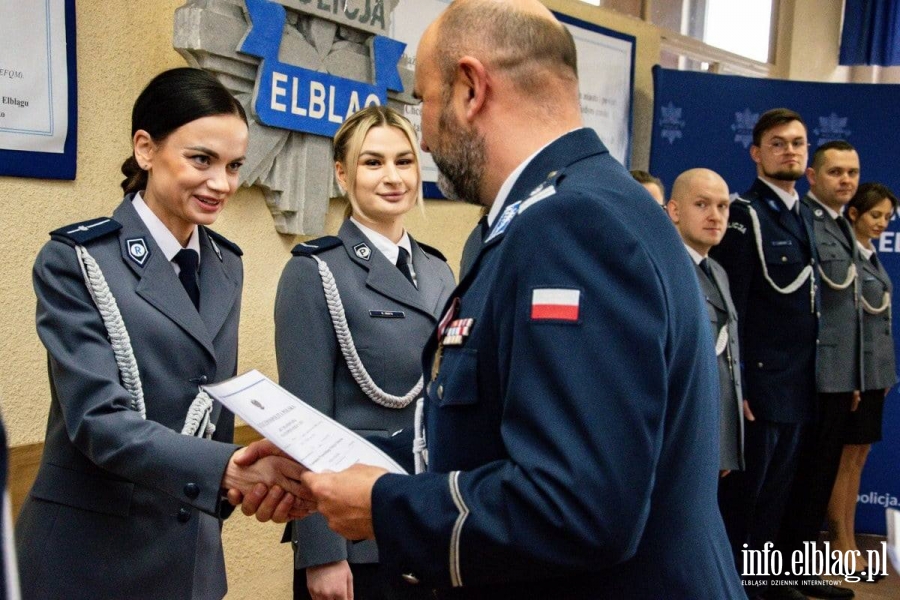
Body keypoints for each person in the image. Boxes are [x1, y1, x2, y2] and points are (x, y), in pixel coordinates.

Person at [240, 1, 743, 597]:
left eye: (425, 100)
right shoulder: (580, 205)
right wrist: (330, 464)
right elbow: (488, 429)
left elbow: (577, 507)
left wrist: (384, 505)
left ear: (471, 89)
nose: (423, 136)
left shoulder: (570, 225)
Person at [15, 67, 306, 600]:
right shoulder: (76, 260)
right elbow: (97, 421)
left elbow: (209, 407)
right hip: (88, 559)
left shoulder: (225, 265)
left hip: (187, 554)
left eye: (234, 166)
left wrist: (243, 480)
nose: (222, 184)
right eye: (202, 159)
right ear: (146, 149)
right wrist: (228, 472)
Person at [275, 105, 455, 600]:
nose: (393, 177)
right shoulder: (316, 272)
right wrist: (322, 553)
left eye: (404, 161)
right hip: (355, 540)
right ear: (342, 173)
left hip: (427, 523)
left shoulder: (440, 272)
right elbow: (303, 422)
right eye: (373, 162)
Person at [710, 108, 819, 600]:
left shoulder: (802, 214)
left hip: (796, 380)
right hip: (761, 382)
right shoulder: (744, 215)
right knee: (746, 501)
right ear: (756, 153)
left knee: (777, 496)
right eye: (778, 143)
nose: (789, 151)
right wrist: (742, 388)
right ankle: (734, 587)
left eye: (798, 143)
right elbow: (733, 309)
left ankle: (767, 583)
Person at [776, 141, 862, 600]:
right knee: (797, 480)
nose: (846, 181)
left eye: (852, 172)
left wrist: (849, 375)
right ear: (813, 176)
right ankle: (779, 574)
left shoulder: (841, 224)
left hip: (834, 375)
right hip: (806, 374)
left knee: (820, 476)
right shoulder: (804, 220)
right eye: (835, 172)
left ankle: (802, 566)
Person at [828, 182, 898, 580]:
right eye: (875, 215)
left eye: (887, 217)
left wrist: (885, 374)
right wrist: (853, 375)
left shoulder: (871, 256)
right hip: (853, 374)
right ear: (853, 213)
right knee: (843, 460)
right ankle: (840, 542)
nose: (882, 223)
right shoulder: (846, 256)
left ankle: (850, 536)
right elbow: (845, 322)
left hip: (876, 375)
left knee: (858, 459)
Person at [666, 168, 743, 475]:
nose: (715, 215)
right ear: (674, 210)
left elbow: (725, 363)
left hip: (710, 434)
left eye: (722, 206)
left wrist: (724, 439)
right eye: (702, 204)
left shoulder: (718, 272)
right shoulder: (667, 269)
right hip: (680, 437)